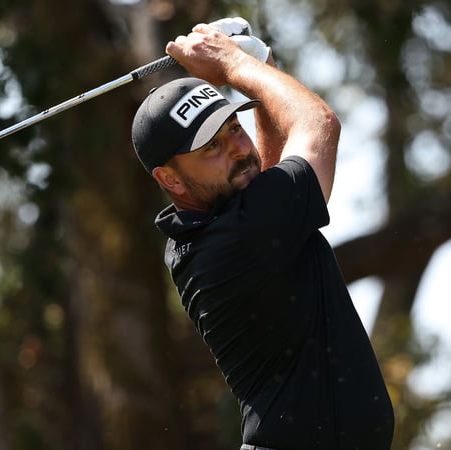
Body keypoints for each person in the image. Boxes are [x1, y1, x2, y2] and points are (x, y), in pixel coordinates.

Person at [131, 19, 395, 450]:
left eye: (234, 127)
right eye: (211, 147)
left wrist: (260, 62)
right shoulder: (227, 246)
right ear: (171, 179)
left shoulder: (218, 226)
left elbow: (267, 177)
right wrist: (233, 62)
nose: (237, 148)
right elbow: (319, 125)